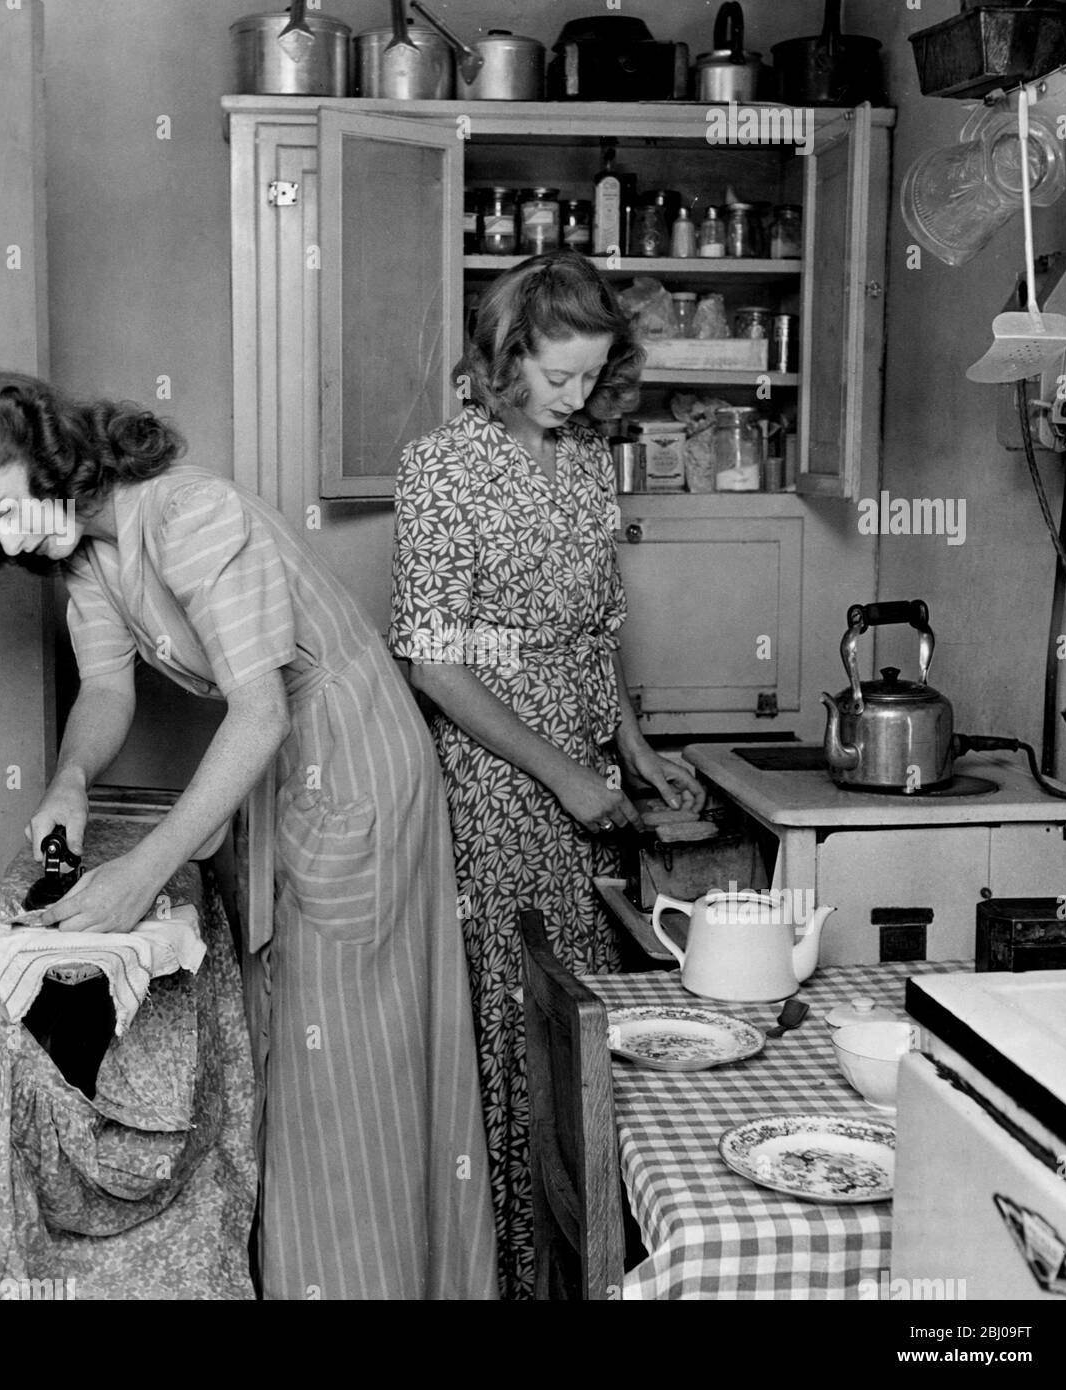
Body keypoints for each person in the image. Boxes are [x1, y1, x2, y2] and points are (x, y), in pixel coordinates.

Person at [0, 369, 498, 1301]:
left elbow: (258, 713)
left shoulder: (191, 515)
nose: (3, 542)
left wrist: (143, 870)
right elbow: (105, 690)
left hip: (356, 766)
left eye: (2, 510)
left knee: (350, 1061)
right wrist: (69, 784)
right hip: (287, 772)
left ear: (47, 457)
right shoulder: (87, 555)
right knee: (292, 1045)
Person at [388, 250, 705, 1298]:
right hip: (495, 782)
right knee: (517, 1023)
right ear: (506, 355)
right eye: (557, 376)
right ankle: (515, 1275)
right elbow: (433, 661)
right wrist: (564, 773)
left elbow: (595, 635)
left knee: (587, 1016)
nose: (575, 397)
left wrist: (636, 752)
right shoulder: (441, 466)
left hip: (584, 764)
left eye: (591, 376)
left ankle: (589, 1265)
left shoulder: (583, 459)